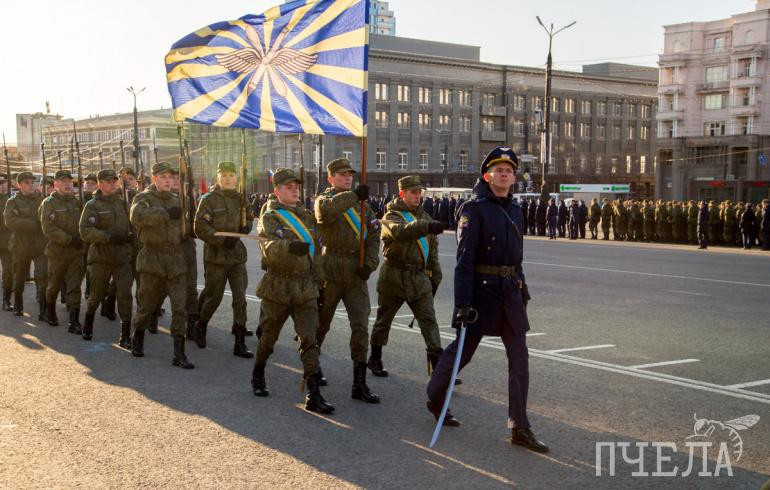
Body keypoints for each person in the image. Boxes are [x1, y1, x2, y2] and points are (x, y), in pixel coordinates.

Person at [426, 146, 548, 453]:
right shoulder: (473, 209)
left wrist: (522, 288)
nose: (505, 174)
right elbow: (464, 262)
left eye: (509, 170)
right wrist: (462, 305)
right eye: (499, 170)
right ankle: (435, 395)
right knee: (462, 354)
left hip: (510, 293)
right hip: (482, 294)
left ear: (514, 177)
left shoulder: (516, 209)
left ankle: (519, 426)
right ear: (487, 175)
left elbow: (516, 257)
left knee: (519, 359)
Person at [251, 168, 333, 414]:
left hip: (305, 287)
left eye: (296, 186)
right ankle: (258, 373)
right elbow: (268, 246)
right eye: (289, 187)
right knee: (268, 338)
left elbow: (316, 255)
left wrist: (321, 285)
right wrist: (289, 247)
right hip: (278, 286)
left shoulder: (307, 217)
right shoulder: (270, 215)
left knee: (309, 339)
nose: (295, 189)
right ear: (277, 190)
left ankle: (313, 393)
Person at [314, 158, 380, 403]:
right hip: (329, 271)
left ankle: (359, 383)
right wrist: (354, 197)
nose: (348, 178)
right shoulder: (323, 200)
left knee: (361, 327)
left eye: (350, 174)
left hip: (355, 273)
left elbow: (374, 236)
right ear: (331, 178)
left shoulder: (363, 205)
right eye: (342, 175)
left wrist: (369, 265)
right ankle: (313, 369)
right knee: (320, 325)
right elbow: (326, 213)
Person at [368, 175, 444, 377]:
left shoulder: (425, 217)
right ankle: (375, 358)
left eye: (419, 192)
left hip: (418, 278)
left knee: (429, 320)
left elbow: (432, 252)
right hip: (394, 276)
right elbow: (400, 232)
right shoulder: (391, 216)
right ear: (402, 193)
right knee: (384, 320)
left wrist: (435, 278)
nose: (418, 196)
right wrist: (424, 227)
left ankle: (438, 368)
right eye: (413, 192)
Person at [129, 162, 193, 369]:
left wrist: (188, 231)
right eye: (163, 177)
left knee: (179, 308)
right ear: (154, 178)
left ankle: (179, 352)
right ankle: (138, 335)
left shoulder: (177, 199)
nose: (168, 181)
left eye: (171, 177)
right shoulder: (144, 198)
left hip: (175, 261)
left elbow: (184, 226)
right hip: (152, 259)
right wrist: (165, 214)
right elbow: (136, 217)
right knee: (147, 305)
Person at [194, 161, 254, 358]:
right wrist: (220, 240)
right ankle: (200, 325)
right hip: (216, 257)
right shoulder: (209, 199)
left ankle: (239, 340)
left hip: (237, 256)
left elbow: (250, 218)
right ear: (218, 178)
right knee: (213, 296)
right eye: (224, 175)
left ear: (237, 178)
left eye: (231, 175)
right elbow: (200, 227)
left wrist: (246, 228)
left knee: (240, 299)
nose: (228, 179)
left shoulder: (241, 199)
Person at [79, 169, 134, 344]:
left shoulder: (121, 203)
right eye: (108, 181)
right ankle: (88, 323)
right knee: (96, 294)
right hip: (101, 258)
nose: (113, 184)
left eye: (114, 181)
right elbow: (85, 231)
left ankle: (125, 334)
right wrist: (108, 237)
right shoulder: (93, 205)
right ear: (100, 184)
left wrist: (130, 236)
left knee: (125, 294)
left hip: (122, 257)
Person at [39, 170, 85, 333]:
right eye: (63, 181)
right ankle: (49, 311)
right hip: (57, 252)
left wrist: (82, 239)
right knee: (54, 285)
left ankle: (74, 321)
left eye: (69, 181)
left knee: (74, 287)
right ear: (55, 184)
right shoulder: (49, 203)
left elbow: (84, 224)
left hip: (76, 253)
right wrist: (69, 239)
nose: (67, 184)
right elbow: (48, 229)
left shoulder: (76, 202)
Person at [3, 172, 47, 319]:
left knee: (42, 276)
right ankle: (18, 304)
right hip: (21, 245)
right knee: (19, 277)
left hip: (39, 245)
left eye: (32, 182)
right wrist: (32, 224)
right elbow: (10, 221)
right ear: (19, 185)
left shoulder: (42, 200)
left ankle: (43, 308)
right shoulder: (13, 202)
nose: (30, 185)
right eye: (27, 182)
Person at [0, 177, 12, 311]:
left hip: (6, 242)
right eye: (0, 184)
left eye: (4, 183)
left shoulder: (9, 201)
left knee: (8, 272)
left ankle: (6, 300)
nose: (3, 186)